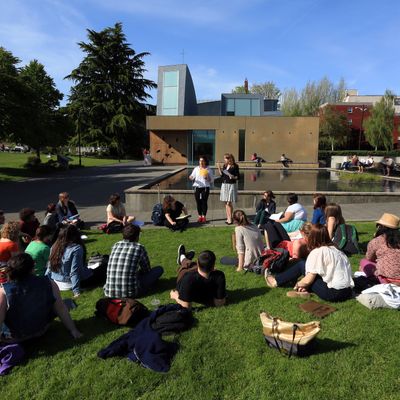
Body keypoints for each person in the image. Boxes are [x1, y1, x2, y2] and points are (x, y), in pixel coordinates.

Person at [0, 253, 82, 343]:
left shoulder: (4, 291)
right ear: (32, 268)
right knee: (65, 303)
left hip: (16, 337)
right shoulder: (49, 283)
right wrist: (73, 330)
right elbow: (61, 308)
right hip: (42, 330)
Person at [266, 224, 354, 302]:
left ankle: (276, 281)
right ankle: (303, 289)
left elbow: (309, 279)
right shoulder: (337, 249)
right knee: (306, 269)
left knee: (301, 264)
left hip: (333, 293)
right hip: (348, 291)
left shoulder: (318, 251)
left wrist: (298, 285)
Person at [104, 224, 163, 298]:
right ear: (137, 237)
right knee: (159, 269)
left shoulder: (116, 245)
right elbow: (147, 270)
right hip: (131, 293)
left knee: (135, 273)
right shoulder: (139, 248)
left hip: (109, 292)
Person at [46, 225, 103, 297]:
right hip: (71, 283)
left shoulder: (54, 246)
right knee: (103, 268)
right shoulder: (76, 248)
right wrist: (76, 291)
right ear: (75, 235)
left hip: (57, 282)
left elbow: (49, 267)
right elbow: (74, 272)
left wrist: (47, 283)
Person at [359, 213, 400, 284]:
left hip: (385, 279)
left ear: (380, 227)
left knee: (363, 262)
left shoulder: (376, 241)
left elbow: (369, 258)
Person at [189, 156, 214, 223]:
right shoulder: (196, 169)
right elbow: (192, 176)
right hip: (197, 187)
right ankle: (199, 216)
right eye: (200, 161)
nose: (201, 162)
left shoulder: (209, 169)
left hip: (205, 187)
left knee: (204, 202)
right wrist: (191, 177)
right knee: (198, 202)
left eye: (202, 161)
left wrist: (207, 178)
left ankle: (204, 217)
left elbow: (211, 180)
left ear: (205, 161)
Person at [217, 153, 239, 225]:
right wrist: (219, 168)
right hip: (224, 184)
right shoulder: (225, 165)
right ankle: (229, 217)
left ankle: (230, 219)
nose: (225, 160)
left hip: (231, 185)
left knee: (229, 202)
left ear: (230, 158)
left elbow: (238, 177)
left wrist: (233, 177)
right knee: (226, 203)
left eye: (226, 158)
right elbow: (222, 175)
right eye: (224, 158)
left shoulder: (235, 166)